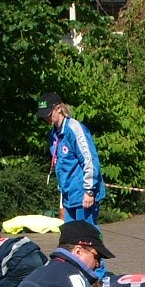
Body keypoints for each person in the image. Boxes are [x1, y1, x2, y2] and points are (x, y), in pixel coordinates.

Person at [38, 92, 106, 225]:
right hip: (69, 196)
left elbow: (89, 160)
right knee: (70, 239)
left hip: (83, 194)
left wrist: (89, 191)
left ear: (58, 109)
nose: (46, 118)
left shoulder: (74, 129)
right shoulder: (53, 135)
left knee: (87, 238)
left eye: (48, 113)